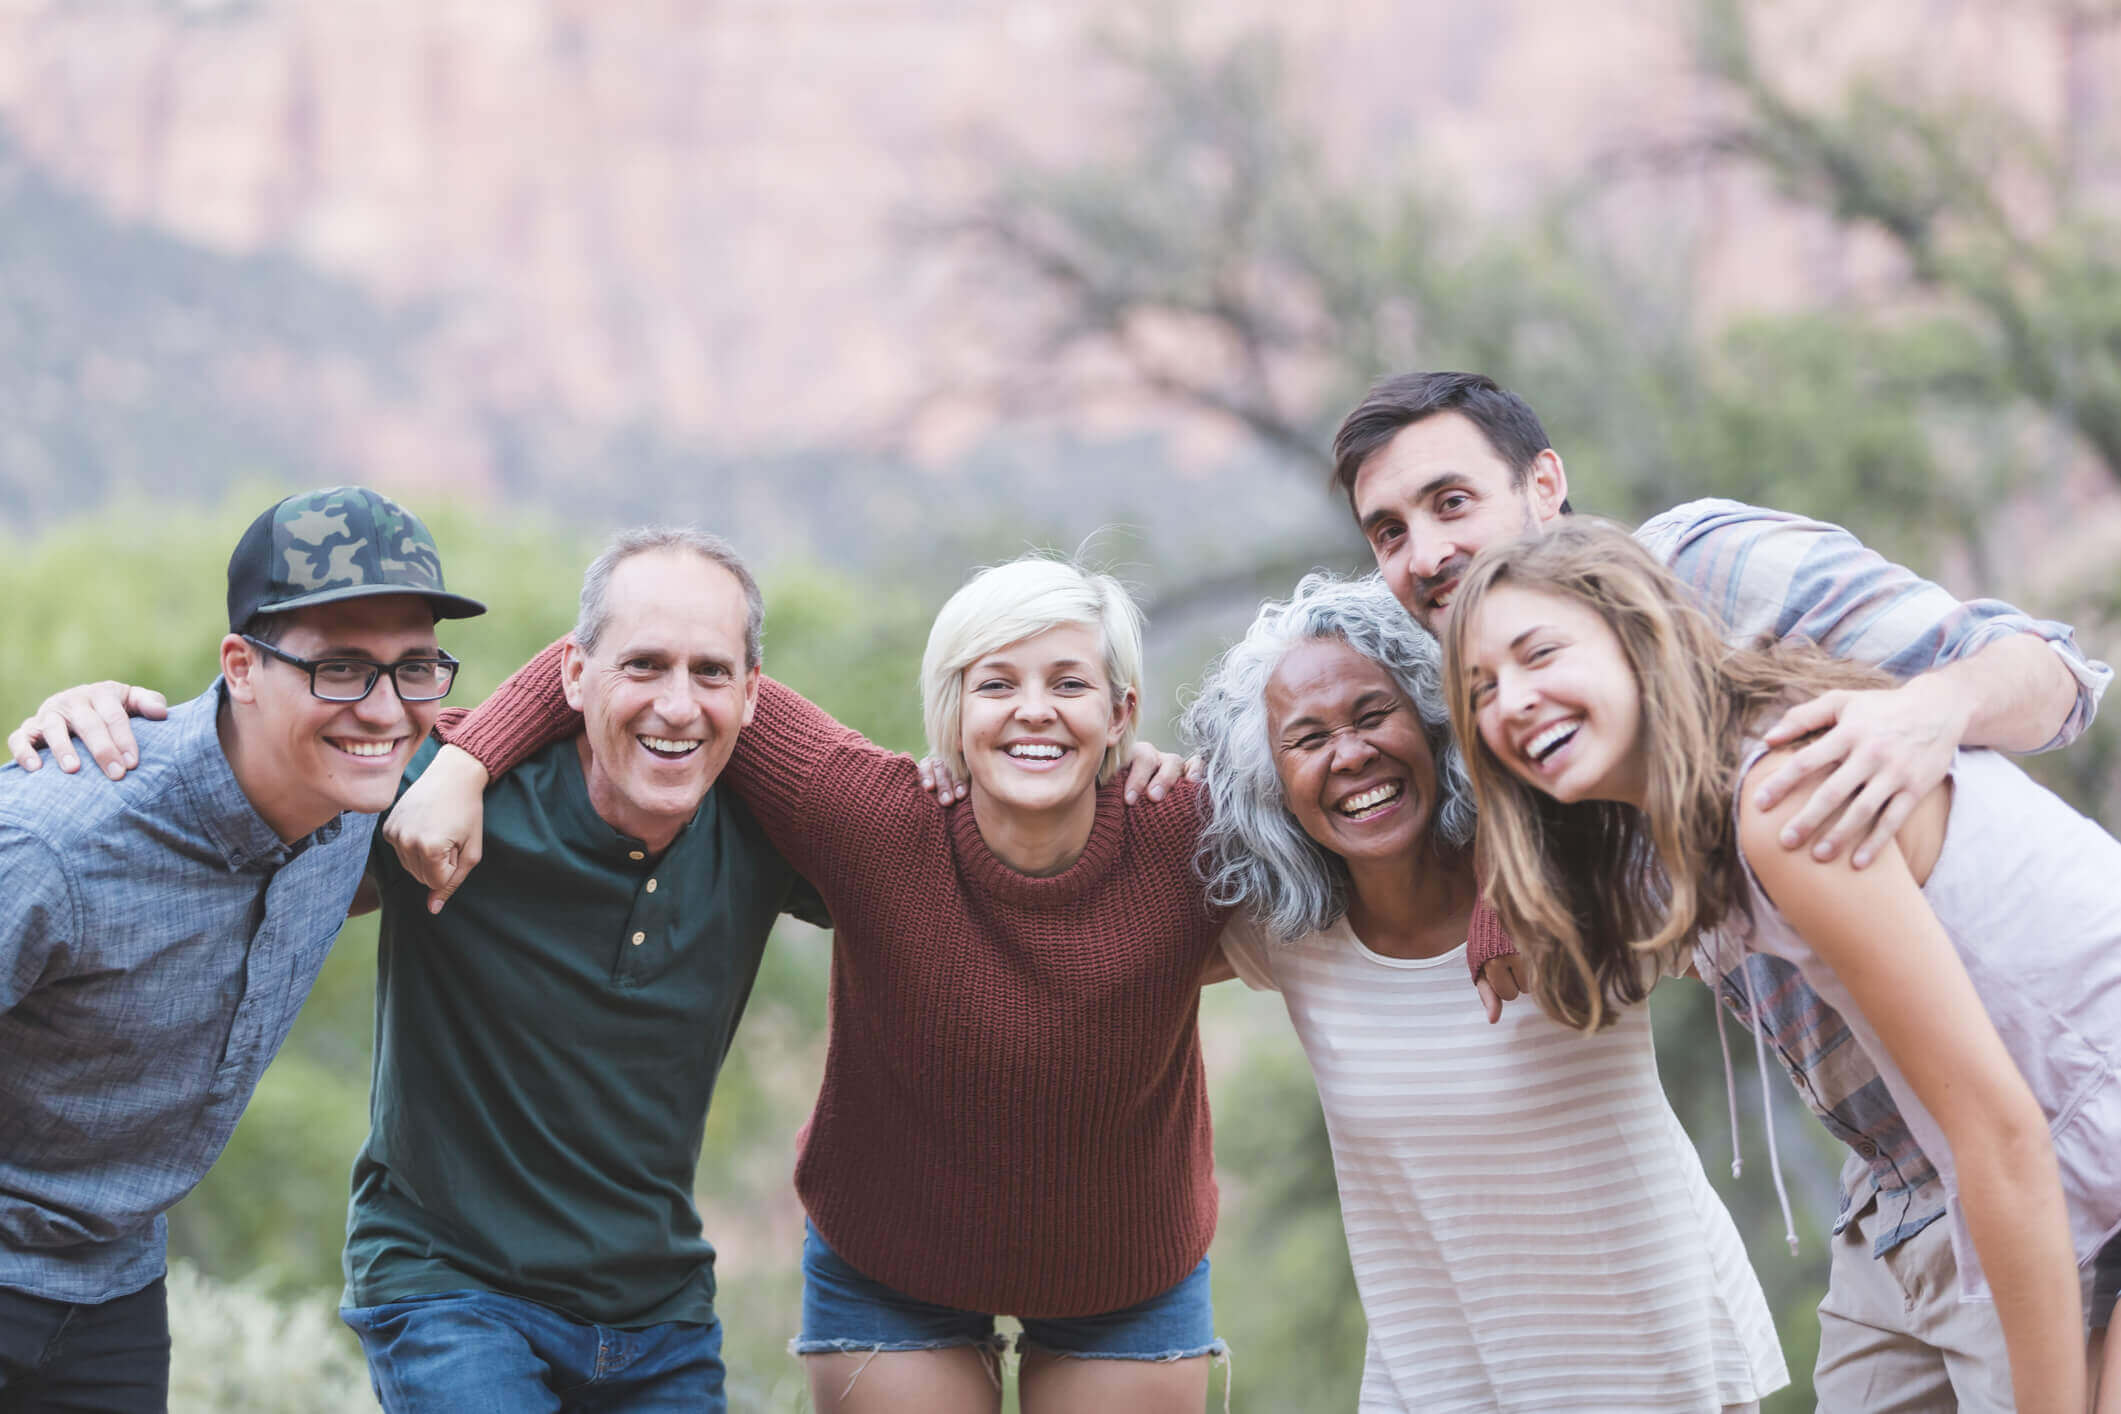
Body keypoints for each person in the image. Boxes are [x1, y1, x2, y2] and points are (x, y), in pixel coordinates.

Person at [1329, 370, 2112, 1408]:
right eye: (1388, 532)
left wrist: (1931, 709)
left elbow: (2057, 673)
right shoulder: (1590, 768)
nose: (1425, 551)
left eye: (1451, 501)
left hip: (2056, 1128)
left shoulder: (1745, 689)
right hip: (1910, 1176)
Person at [383, 554, 1228, 1414]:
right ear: (951, 705)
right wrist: (468, 761)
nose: (1033, 711)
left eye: (1070, 684)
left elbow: (1330, 785)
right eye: (996, 683)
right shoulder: (873, 818)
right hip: (893, 1260)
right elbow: (620, 654)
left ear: (1121, 708)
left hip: (1128, 1268)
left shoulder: (1193, 831)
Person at [12, 527, 831, 1413]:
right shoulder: (415, 795)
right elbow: (248, 757)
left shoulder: (759, 826)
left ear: (753, 693)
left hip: (657, 1306)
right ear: (571, 675)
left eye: (710, 672)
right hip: (450, 1285)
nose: (676, 704)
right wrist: (82, 757)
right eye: (640, 665)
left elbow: (915, 837)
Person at [1183, 571, 1787, 1413]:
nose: (1350, 754)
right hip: (1435, 1386)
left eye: (1371, 714)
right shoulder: (1289, 940)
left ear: (1438, 724)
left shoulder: (1569, 879)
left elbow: (1755, 878)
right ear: (1270, 783)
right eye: (1306, 738)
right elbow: (1101, 959)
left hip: (1656, 1370)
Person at [0, 487, 482, 1412]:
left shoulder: (352, 798)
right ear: (242, 666)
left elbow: (596, 697)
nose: (383, 709)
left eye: (415, 667)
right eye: (340, 667)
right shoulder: (57, 844)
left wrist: (466, 762)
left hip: (112, 1294)